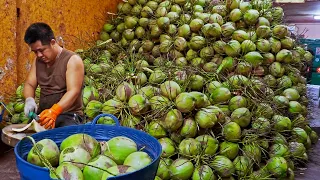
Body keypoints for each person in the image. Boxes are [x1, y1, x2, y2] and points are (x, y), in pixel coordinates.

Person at [23, 22, 84, 129]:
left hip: (67, 115)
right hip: (43, 114)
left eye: (41, 50)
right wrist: (29, 100)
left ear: (52, 42)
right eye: (35, 52)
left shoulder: (72, 60)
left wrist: (54, 111)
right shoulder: (38, 61)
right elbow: (30, 84)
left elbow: (73, 91)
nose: (39, 55)